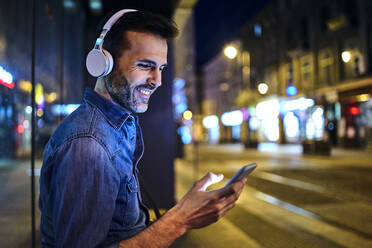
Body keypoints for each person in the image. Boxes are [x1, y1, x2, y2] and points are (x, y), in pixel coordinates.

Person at [39, 9, 247, 248]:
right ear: (103, 63)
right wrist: (180, 221)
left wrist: (182, 210)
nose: (157, 80)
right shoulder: (89, 145)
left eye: (161, 68)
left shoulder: (116, 127)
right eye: (145, 65)